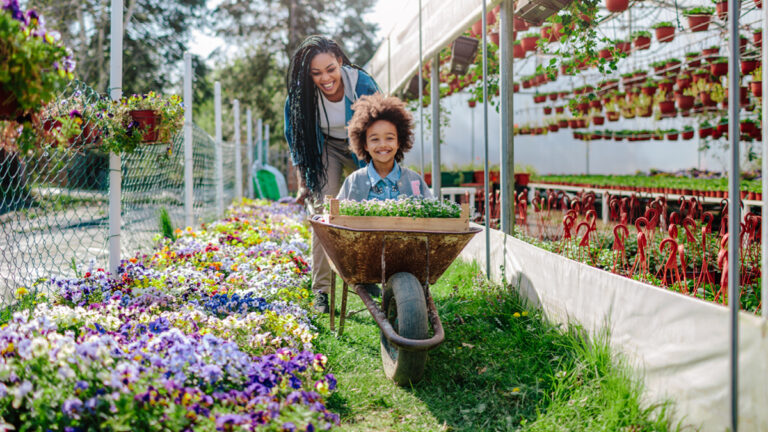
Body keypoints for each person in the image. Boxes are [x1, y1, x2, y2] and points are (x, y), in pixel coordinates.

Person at [284, 35, 381, 313]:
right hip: (324, 147)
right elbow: (296, 139)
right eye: (316, 73)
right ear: (308, 74)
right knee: (324, 213)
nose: (325, 78)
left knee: (374, 202)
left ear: (340, 61)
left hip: (360, 143)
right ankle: (321, 292)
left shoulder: (361, 84)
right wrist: (304, 182)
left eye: (330, 69)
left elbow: (383, 124)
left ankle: (367, 275)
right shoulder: (301, 97)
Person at [337, 93, 432, 202]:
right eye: (375, 139)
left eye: (389, 138)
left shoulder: (414, 180)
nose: (382, 145)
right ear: (365, 145)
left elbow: (431, 213)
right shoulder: (354, 181)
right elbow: (336, 215)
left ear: (399, 142)